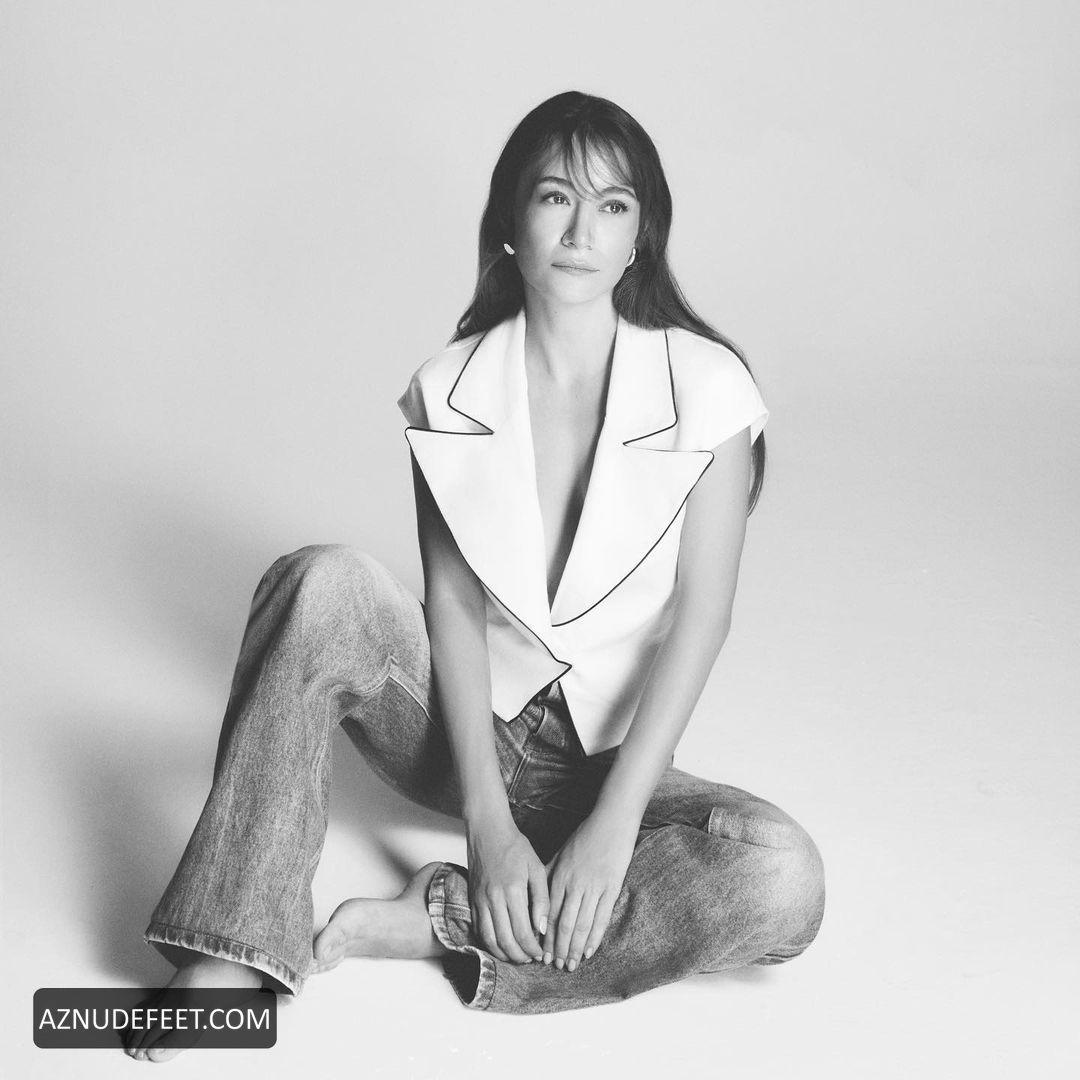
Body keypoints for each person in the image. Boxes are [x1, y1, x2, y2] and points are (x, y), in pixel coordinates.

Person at [125, 90, 825, 1062]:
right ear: (509, 221)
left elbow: (705, 615)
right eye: (555, 197)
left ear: (640, 238)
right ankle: (230, 952)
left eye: (613, 205)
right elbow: (449, 604)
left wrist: (614, 826)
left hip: (607, 763)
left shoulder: (708, 387)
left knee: (783, 878)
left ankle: (442, 923)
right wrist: (490, 828)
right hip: (461, 738)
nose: (581, 231)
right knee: (322, 580)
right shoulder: (449, 387)